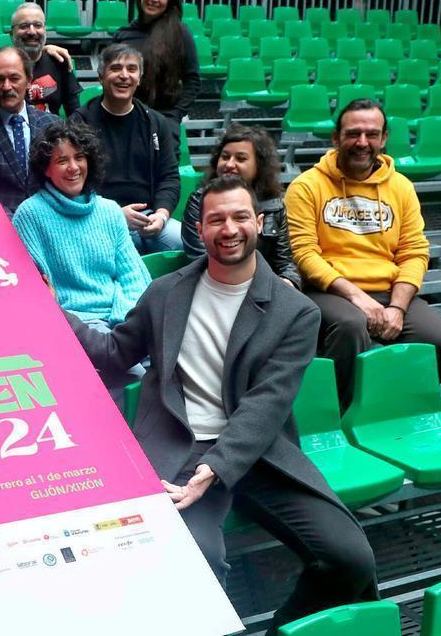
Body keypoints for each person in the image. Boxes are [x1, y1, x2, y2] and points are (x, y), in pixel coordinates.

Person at [69, 174, 378, 631]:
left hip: (258, 451)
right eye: (216, 219)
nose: (228, 228)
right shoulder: (164, 293)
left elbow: (266, 404)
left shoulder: (297, 313)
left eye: (239, 217)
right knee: (199, 562)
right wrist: (53, 312)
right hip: (179, 446)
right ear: (200, 228)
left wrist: (213, 471)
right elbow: (115, 356)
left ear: (259, 221)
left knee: (351, 560)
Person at [285, 98, 441, 407]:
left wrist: (398, 308)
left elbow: (414, 252)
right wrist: (356, 297)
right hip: (329, 289)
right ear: (336, 138)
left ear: (384, 139)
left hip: (388, 290)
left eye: (371, 134)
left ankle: (399, 408)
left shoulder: (401, 187)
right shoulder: (306, 186)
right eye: (353, 134)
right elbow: (305, 255)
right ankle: (335, 413)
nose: (362, 142)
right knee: (351, 326)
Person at [13, 120, 149, 402]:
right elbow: (42, 290)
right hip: (77, 326)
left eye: (79, 157)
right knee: (142, 381)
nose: (73, 167)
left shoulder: (110, 211)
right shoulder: (30, 215)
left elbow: (133, 275)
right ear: (46, 170)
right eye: (62, 160)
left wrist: (124, 324)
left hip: (121, 322)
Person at [71, 43, 182, 254]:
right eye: (115, 68)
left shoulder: (156, 123)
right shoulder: (80, 122)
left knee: (191, 243)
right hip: (98, 221)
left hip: (149, 219)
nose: (124, 75)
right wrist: (114, 214)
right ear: (101, 76)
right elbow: (73, 182)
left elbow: (169, 177)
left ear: (139, 78)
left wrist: (161, 215)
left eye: (132, 69)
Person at [182, 124, 300, 287]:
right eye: (225, 157)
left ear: (259, 165)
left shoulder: (275, 206)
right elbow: (200, 258)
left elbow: (286, 264)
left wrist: (287, 283)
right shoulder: (199, 201)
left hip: (267, 289)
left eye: (241, 158)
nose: (230, 164)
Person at [0, 46, 60, 213]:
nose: (7, 87)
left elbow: (62, 184)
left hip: (50, 219)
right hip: (0, 224)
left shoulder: (52, 125)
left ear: (29, 80)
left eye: (14, 78)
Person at [113, 0, 201, 121]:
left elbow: (192, 80)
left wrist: (176, 115)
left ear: (170, 1)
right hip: (125, 119)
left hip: (163, 120)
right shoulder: (123, 34)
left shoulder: (179, 33)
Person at [0, 2, 81, 118]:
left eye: (38, 25)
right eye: (24, 26)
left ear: (45, 31)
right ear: (11, 34)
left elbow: (74, 114)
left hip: (51, 134)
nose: (32, 32)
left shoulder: (59, 62)